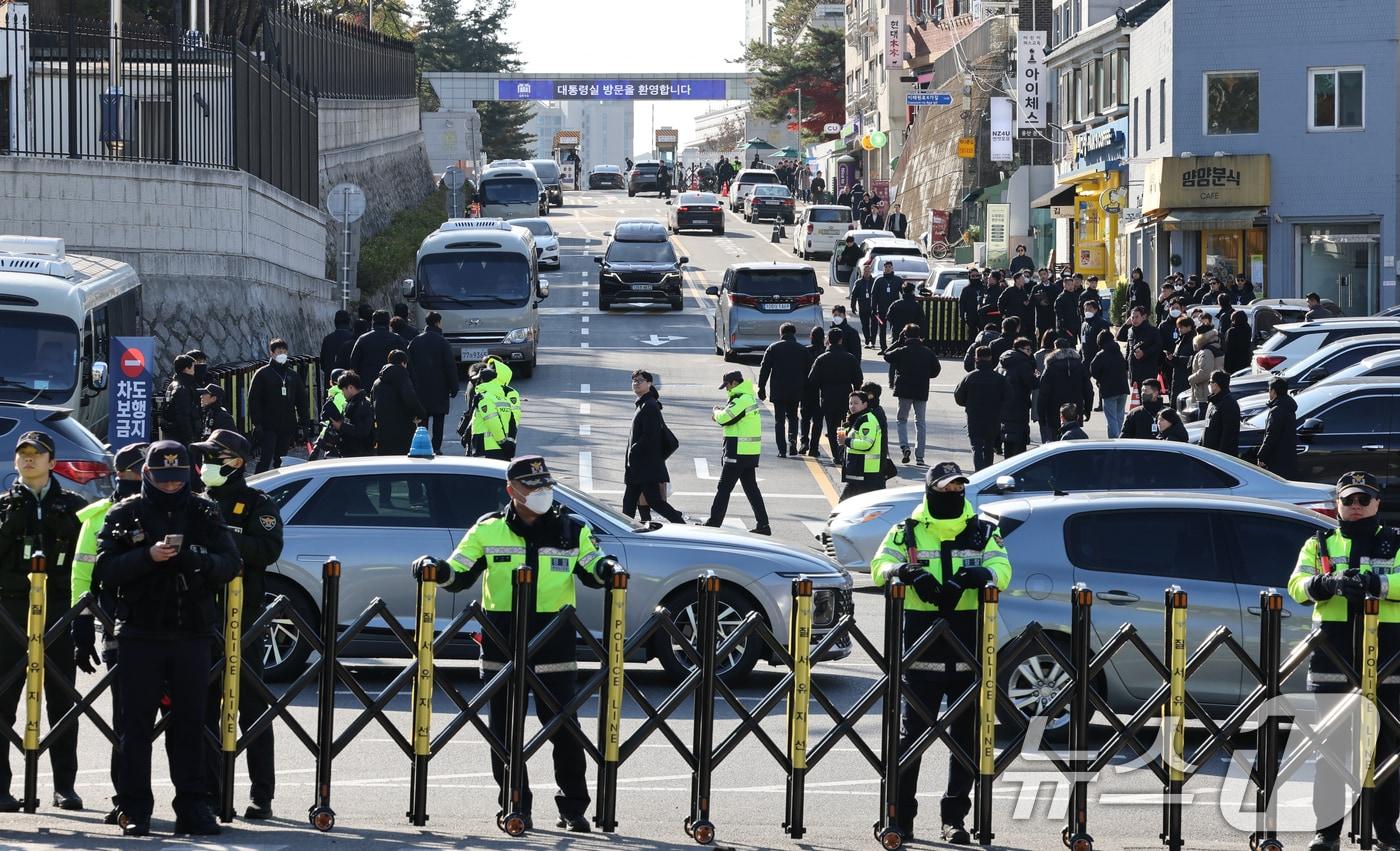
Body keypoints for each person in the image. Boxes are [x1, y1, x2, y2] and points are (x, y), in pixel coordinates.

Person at [416, 456, 622, 834]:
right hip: (501, 639)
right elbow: (458, 573)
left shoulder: (571, 529)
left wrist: (608, 568)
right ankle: (515, 806)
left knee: (564, 728)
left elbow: (593, 567)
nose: (542, 492)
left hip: (554, 638)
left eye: (546, 485)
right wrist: (436, 569)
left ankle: (574, 808)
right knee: (504, 731)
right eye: (533, 486)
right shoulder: (488, 529)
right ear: (513, 491)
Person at [95, 441, 240, 836]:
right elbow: (106, 569)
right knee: (135, 726)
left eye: (178, 480)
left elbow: (230, 564)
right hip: (140, 633)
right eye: (164, 479)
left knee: (190, 724)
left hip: (192, 632)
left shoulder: (204, 511)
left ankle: (193, 806)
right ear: (146, 475)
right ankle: (133, 808)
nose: (172, 487)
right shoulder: (125, 513)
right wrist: (147, 558)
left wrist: (195, 560)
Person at [869, 462, 1011, 845]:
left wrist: (984, 575)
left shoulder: (983, 530)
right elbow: (878, 566)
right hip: (920, 648)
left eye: (958, 488)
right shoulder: (907, 531)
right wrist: (906, 572)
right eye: (946, 488)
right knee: (910, 738)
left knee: (966, 740)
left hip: (967, 645)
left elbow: (1003, 566)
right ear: (931, 490)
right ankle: (900, 816)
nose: (953, 493)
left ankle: (955, 820)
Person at [1287, 471, 1400, 851]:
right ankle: (1328, 833)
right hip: (1332, 658)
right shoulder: (1318, 542)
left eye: (1363, 500)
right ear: (1337, 503)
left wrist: (1375, 584)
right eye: (1348, 500)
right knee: (1330, 752)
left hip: (1386, 660)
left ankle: (1385, 830)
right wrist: (1327, 584)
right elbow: (1297, 585)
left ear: (1376, 504)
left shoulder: (1395, 542)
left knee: (1386, 750)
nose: (1355, 507)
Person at [189, 430, 283, 820]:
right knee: (205, 709)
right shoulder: (195, 504)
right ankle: (211, 792)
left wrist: (222, 537)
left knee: (252, 708)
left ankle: (262, 794)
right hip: (202, 620)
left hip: (243, 620)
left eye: (217, 456)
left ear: (237, 462)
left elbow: (269, 549)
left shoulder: (256, 503)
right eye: (205, 456)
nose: (207, 463)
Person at [0, 431, 88, 813]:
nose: (29, 459)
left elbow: (87, 561)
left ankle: (64, 786)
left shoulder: (73, 505)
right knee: (4, 702)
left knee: (62, 701)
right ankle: (1, 789)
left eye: (37, 454)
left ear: (52, 462)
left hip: (57, 612)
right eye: (23, 454)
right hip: (10, 613)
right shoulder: (3, 505)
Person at [70, 442, 146, 823]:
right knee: (126, 721)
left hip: (176, 627)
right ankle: (126, 799)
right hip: (120, 626)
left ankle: (203, 796)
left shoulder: (175, 508)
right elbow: (83, 575)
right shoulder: (99, 517)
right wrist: (82, 625)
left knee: (189, 720)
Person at [704, 372, 770, 535]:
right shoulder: (747, 398)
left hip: (738, 451)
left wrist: (716, 412)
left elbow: (726, 418)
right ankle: (763, 525)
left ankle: (713, 524)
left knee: (724, 488)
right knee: (751, 488)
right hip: (748, 452)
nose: (726, 388)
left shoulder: (742, 399)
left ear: (734, 382)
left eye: (727, 385)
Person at [622, 370, 684, 523]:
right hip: (639, 467)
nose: (636, 383)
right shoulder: (643, 404)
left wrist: (634, 452)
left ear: (649, 384)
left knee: (654, 502)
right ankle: (624, 530)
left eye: (640, 380)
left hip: (644, 466)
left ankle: (682, 526)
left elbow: (650, 436)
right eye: (634, 380)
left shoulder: (649, 406)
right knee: (630, 503)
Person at [247, 338, 309, 473]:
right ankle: (258, 485)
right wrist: (256, 423)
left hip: (287, 424)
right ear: (272, 353)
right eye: (279, 351)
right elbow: (254, 399)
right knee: (265, 458)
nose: (282, 353)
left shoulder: (292, 375)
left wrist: (304, 423)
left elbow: (302, 400)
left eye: (284, 350)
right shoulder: (262, 374)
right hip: (268, 425)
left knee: (282, 459)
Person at [883, 324, 940, 465]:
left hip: (904, 390)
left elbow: (886, 355)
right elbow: (936, 369)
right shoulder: (927, 352)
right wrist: (926, 375)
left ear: (905, 335)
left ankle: (904, 447)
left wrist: (897, 341)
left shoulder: (902, 350)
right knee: (920, 422)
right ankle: (919, 456)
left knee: (901, 419)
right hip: (921, 389)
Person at [808, 328, 864, 462]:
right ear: (841, 340)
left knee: (832, 427)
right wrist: (856, 396)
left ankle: (836, 455)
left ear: (828, 340)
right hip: (846, 395)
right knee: (845, 424)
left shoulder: (821, 359)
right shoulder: (850, 358)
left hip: (827, 396)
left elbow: (812, 380)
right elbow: (858, 378)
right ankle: (842, 452)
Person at [757, 323, 811, 458]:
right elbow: (809, 371)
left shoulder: (773, 348)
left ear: (781, 334)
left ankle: (782, 449)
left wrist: (761, 387)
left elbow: (765, 369)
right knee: (793, 417)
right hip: (796, 390)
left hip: (778, 390)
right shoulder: (802, 350)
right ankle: (792, 442)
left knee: (779, 420)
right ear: (794, 334)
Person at [407, 311, 458, 454]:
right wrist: (454, 387)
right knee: (439, 419)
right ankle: (436, 447)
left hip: (420, 388)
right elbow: (450, 367)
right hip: (439, 388)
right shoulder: (443, 342)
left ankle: (421, 445)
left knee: (422, 419)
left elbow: (409, 365)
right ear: (438, 322)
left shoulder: (415, 341)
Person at [953, 347, 1008, 471]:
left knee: (976, 446)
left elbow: (959, 397)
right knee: (989, 446)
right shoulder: (999, 378)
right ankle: (987, 473)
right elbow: (1008, 396)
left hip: (974, 415)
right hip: (993, 416)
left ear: (976, 358)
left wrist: (968, 404)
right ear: (990, 358)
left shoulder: (969, 377)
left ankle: (979, 471)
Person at [1038, 337, 1093, 445]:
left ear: (1055, 348)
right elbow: (1088, 389)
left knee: (1055, 441)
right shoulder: (1078, 364)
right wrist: (1087, 409)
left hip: (1054, 409)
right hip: (1075, 408)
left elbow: (1043, 392)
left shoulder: (1051, 366)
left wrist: (1041, 414)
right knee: (1074, 440)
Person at [372, 350, 425, 456]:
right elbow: (410, 398)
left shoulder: (377, 381)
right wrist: (420, 414)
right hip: (402, 426)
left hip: (383, 428)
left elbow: (372, 401)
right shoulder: (403, 378)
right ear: (403, 363)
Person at [839, 390, 884, 501]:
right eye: (850, 403)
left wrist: (846, 441)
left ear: (865, 404)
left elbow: (866, 444)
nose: (852, 406)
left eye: (856, 403)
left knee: (845, 504)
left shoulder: (867, 421)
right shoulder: (857, 419)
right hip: (857, 470)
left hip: (865, 472)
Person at [998, 337, 1038, 458]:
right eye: (1028, 349)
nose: (1030, 352)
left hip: (1004, 404)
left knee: (1008, 436)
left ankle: (1008, 462)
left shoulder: (1003, 361)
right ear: (1020, 349)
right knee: (1019, 440)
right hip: (1019, 403)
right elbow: (1032, 383)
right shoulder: (1023, 364)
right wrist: (1036, 377)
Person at [1255, 376, 1299, 479]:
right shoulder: (1288, 407)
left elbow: (1271, 435)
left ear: (1274, 391)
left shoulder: (1277, 410)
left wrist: (1261, 456)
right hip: (1288, 459)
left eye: (1269, 390)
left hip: (1277, 461)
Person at [1090, 330, 1130, 439]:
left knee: (1111, 418)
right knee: (1119, 417)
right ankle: (1120, 437)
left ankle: (1115, 441)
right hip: (1123, 388)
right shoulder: (1119, 353)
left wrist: (1100, 378)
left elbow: (1093, 370)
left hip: (1109, 390)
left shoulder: (1101, 355)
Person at [160, 354, 203, 446]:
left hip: (172, 433)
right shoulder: (183, 388)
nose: (194, 370)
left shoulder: (172, 384)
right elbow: (183, 415)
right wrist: (190, 438)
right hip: (182, 437)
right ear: (187, 369)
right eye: (193, 367)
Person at [329, 371, 375, 457]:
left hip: (360, 455)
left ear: (350, 387)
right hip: (350, 452)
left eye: (343, 390)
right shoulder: (352, 403)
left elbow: (363, 431)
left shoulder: (364, 404)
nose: (342, 393)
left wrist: (341, 426)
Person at [799, 325, 827, 456]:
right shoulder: (826, 353)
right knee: (818, 421)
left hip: (806, 390)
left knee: (805, 418)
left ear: (811, 337)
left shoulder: (805, 351)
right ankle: (814, 447)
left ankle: (804, 441)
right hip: (821, 391)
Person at [1116, 307, 1161, 388]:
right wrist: (1126, 324)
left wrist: (1144, 353)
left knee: (1147, 397)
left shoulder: (1153, 331)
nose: (1134, 320)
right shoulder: (1130, 330)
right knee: (1136, 398)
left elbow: (1158, 347)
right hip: (1134, 370)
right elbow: (1119, 337)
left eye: (1137, 317)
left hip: (1148, 370)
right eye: (1132, 317)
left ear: (1144, 317)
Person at [349, 310, 400, 380]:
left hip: (367, 383)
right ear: (388, 322)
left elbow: (353, 363)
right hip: (391, 383)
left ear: (373, 322)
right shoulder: (396, 338)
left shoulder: (362, 339)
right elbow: (406, 361)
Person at [1187, 323, 1223, 421]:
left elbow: (1206, 372)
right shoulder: (1214, 347)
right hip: (1210, 390)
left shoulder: (1206, 351)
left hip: (1205, 392)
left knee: (1203, 423)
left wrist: (1191, 379)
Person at [1201, 369, 1240, 456]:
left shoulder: (1229, 403)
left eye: (1210, 382)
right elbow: (1206, 428)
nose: (1209, 384)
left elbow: (1228, 435)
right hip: (1208, 454)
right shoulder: (1213, 401)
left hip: (1219, 458)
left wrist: (1220, 456)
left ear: (1217, 384)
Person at [871, 261, 902, 353]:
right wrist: (873, 308)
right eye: (886, 267)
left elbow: (904, 292)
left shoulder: (898, 280)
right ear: (884, 268)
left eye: (889, 267)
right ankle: (883, 348)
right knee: (882, 329)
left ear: (892, 268)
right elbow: (874, 295)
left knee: (895, 329)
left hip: (894, 310)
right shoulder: (879, 280)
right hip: (882, 309)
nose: (888, 268)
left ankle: (893, 347)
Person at [885, 281, 924, 346]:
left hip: (897, 331)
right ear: (913, 291)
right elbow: (921, 320)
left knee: (897, 349)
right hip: (913, 333)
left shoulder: (896, 304)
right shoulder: (917, 305)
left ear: (903, 291)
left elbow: (889, 316)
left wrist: (895, 324)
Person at [319, 309, 355, 377]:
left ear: (335, 322)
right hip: (349, 382)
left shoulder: (327, 339)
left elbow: (323, 364)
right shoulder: (353, 338)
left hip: (330, 380)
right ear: (349, 322)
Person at [1169, 315, 1196, 403]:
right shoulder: (1180, 340)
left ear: (1189, 327)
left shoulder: (1194, 341)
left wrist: (1177, 359)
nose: (1179, 330)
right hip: (1177, 375)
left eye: (1181, 327)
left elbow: (1194, 359)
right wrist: (1171, 358)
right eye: (1178, 327)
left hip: (1187, 376)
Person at [849, 265, 876, 345]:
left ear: (871, 272)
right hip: (863, 307)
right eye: (865, 271)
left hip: (873, 307)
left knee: (874, 325)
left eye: (868, 271)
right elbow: (854, 295)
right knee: (865, 325)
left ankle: (873, 340)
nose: (867, 273)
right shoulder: (858, 282)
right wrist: (853, 306)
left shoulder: (875, 281)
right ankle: (867, 339)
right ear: (863, 272)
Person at [958, 268, 987, 341]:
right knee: (971, 335)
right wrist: (962, 315)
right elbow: (962, 302)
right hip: (971, 315)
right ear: (969, 277)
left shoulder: (984, 287)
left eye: (977, 276)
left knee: (983, 335)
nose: (975, 278)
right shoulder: (966, 289)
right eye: (973, 276)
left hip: (982, 315)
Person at [1055, 274, 1084, 341]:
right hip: (1067, 326)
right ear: (1064, 285)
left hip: (1076, 323)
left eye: (1072, 284)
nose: (1070, 286)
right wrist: (1062, 325)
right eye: (1068, 285)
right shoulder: (1061, 298)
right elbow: (1058, 313)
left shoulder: (1076, 295)